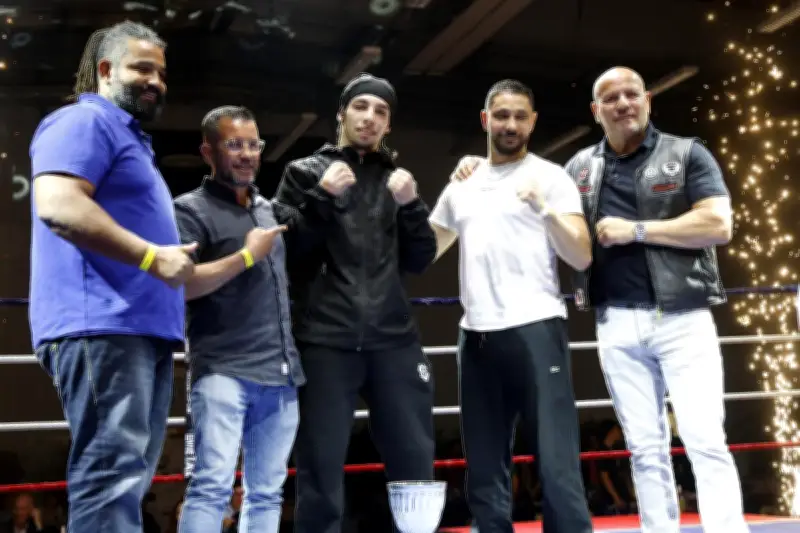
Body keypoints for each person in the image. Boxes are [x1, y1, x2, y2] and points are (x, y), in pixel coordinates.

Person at [561, 66, 746, 533]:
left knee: (705, 440)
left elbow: (718, 226)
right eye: (611, 97)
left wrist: (636, 230)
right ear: (595, 110)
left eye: (631, 94)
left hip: (683, 318)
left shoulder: (687, 154)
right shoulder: (579, 168)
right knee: (644, 448)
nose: (623, 103)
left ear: (647, 100)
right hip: (615, 322)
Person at [28, 21, 194, 533]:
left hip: (135, 329)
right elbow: (57, 204)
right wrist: (151, 258)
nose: (156, 82)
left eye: (161, 73)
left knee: (129, 476)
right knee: (112, 473)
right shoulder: (83, 123)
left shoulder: (128, 137)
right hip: (103, 324)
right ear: (105, 71)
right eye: (142, 68)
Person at [274, 73, 438, 533]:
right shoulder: (304, 172)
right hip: (325, 338)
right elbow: (288, 252)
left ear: (389, 125)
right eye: (361, 107)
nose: (369, 117)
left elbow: (423, 257)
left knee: (414, 454)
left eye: (380, 111)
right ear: (342, 114)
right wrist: (321, 198)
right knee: (320, 463)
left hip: (393, 338)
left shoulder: (396, 180)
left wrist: (411, 205)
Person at [429, 79, 594, 533]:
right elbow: (423, 251)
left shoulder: (551, 177)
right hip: (476, 335)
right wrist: (397, 202)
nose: (511, 124)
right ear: (486, 120)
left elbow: (581, 254)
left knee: (556, 460)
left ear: (533, 121)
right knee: (483, 462)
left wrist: (545, 211)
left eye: (520, 115)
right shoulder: (462, 184)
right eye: (501, 115)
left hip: (536, 327)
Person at [174, 106, 306, 533]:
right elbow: (184, 285)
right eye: (234, 144)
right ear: (208, 151)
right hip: (223, 372)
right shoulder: (188, 211)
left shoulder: (268, 210)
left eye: (254, 144)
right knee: (211, 488)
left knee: (268, 492)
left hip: (281, 375)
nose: (247, 153)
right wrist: (247, 255)